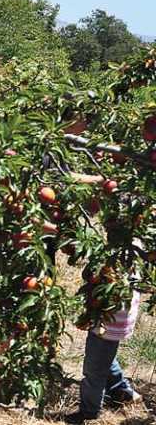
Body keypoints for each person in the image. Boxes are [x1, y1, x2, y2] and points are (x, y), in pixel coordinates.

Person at [65, 172, 143, 423]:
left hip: (109, 316)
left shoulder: (116, 260)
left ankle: (89, 412)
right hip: (117, 317)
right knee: (104, 354)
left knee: (93, 369)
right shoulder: (133, 248)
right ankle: (124, 392)